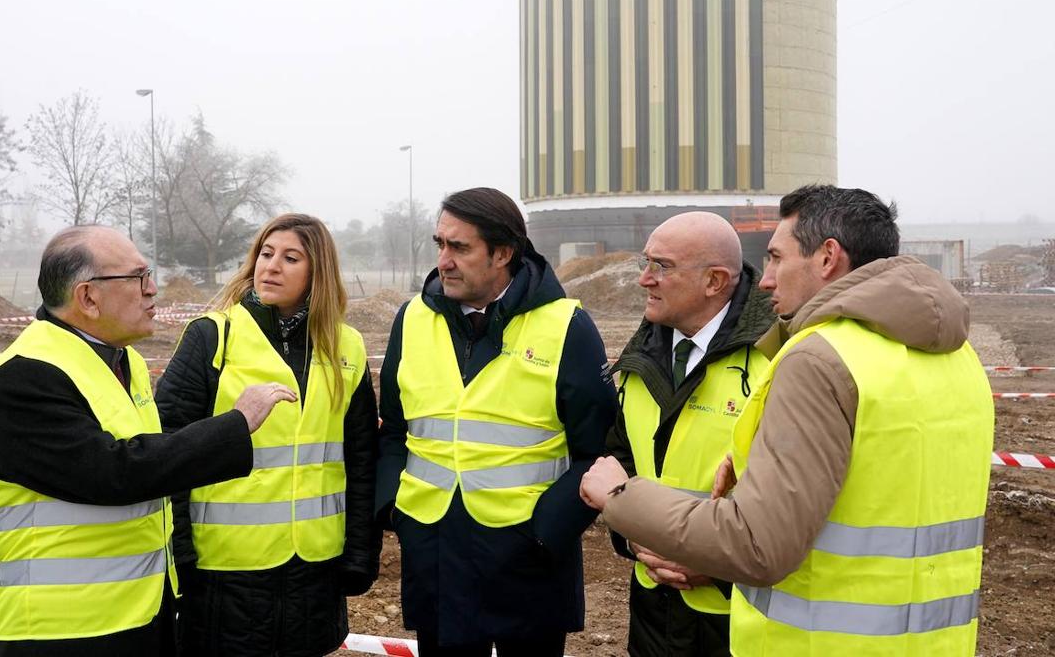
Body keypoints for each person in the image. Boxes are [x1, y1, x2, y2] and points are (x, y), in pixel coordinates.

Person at [581, 185, 995, 656]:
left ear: (827, 258)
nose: (764, 280)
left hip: (817, 642)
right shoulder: (960, 359)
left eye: (777, 258)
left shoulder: (817, 359)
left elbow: (759, 545)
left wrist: (621, 497)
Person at [0, 225, 298, 656]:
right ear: (88, 298)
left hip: (136, 620)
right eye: (138, 278)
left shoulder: (122, 361)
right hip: (56, 634)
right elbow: (115, 473)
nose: (153, 289)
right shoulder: (23, 379)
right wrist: (234, 424)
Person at [376, 187, 617, 657]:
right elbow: (393, 432)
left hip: (529, 562)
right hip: (436, 554)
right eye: (440, 244)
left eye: (459, 247)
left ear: (503, 252)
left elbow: (598, 448)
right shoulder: (411, 320)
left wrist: (547, 530)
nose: (443, 260)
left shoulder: (566, 326)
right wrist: (393, 511)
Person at [155, 213, 379, 656]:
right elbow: (168, 452)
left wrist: (358, 554)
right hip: (224, 571)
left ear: (318, 272)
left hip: (315, 571)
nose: (271, 266)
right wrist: (180, 555)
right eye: (265, 253)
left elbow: (361, 459)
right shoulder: (211, 337)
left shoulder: (346, 347)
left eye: (290, 257)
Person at [606, 212, 773, 656]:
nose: (644, 279)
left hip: (737, 615)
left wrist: (715, 565)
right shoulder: (640, 356)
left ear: (715, 281)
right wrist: (634, 536)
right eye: (645, 263)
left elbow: (791, 499)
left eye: (661, 266)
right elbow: (620, 459)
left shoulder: (774, 362)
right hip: (652, 607)